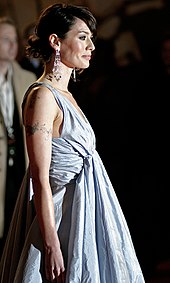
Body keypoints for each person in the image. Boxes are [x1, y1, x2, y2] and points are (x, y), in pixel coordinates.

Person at [0, 4, 145, 283]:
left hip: (88, 213)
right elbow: (40, 178)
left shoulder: (66, 95)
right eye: (82, 37)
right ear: (56, 41)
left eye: (91, 37)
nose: (91, 45)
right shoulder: (43, 96)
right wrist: (52, 245)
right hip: (63, 220)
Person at [0, 16, 36, 256]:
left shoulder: (27, 78)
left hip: (20, 169)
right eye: (5, 39)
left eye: (15, 40)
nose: (13, 46)